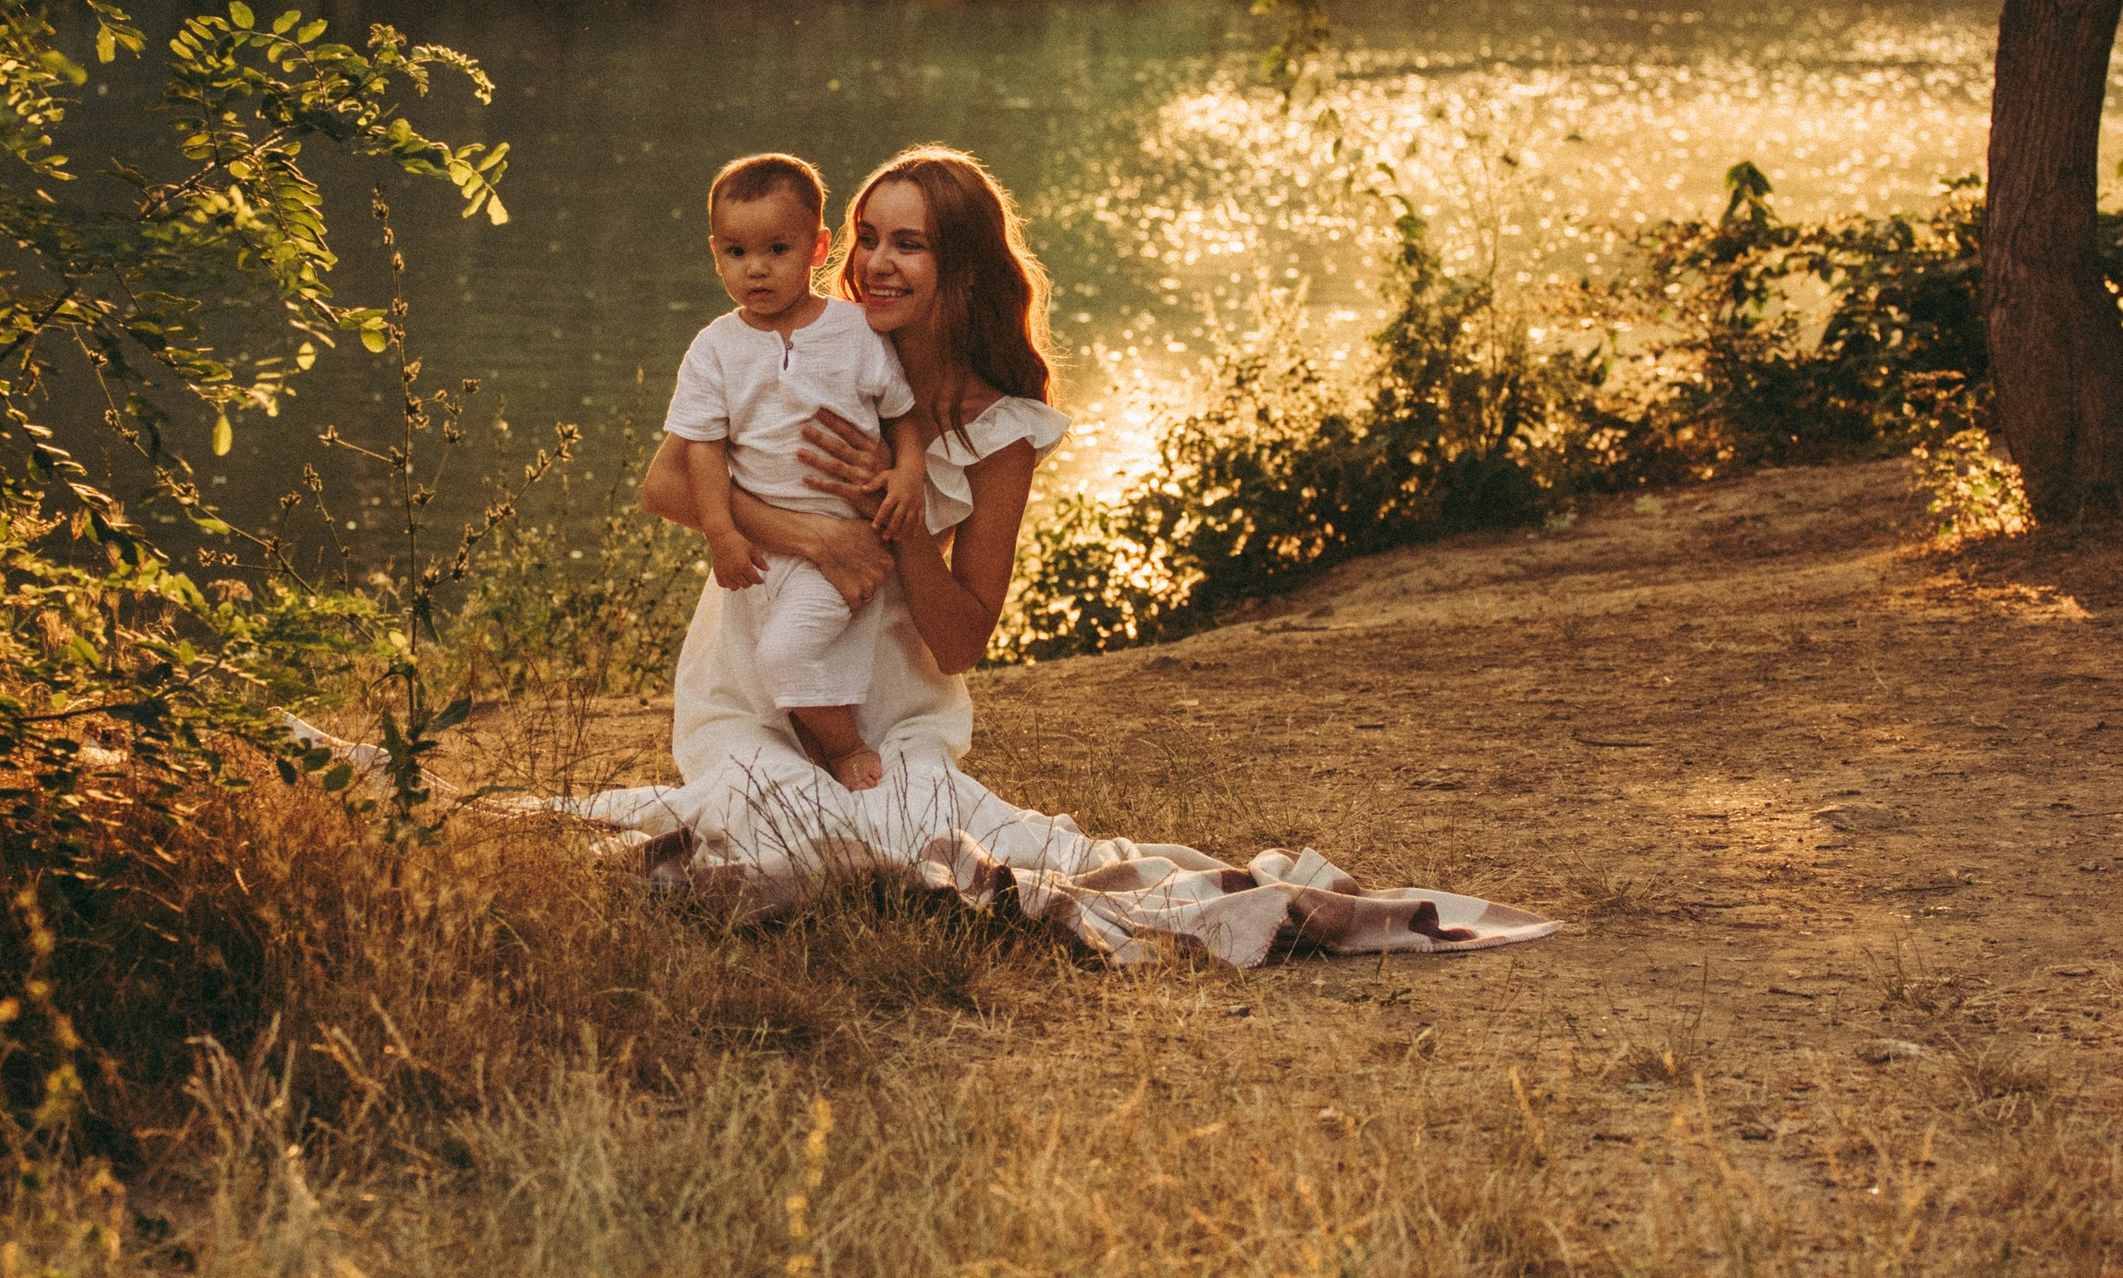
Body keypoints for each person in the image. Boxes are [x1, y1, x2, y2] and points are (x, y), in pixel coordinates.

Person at [571, 144, 1555, 971]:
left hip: (888, 713)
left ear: (961, 270)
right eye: (866, 237)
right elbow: (666, 486)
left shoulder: (998, 431)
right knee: (774, 831)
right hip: (749, 695)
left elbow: (958, 639)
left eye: (906, 244)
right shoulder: (787, 350)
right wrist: (811, 533)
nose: (873, 263)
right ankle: (745, 790)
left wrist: (899, 518)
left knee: (905, 840)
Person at [663, 152, 930, 795]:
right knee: (768, 669)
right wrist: (722, 534)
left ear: (817, 248)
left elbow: (901, 416)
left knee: (786, 654)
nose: (755, 268)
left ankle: (844, 749)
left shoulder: (856, 331)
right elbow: (701, 448)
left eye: (777, 249)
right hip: (761, 552)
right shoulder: (715, 348)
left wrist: (909, 472)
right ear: (715, 253)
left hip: (845, 545)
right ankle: (807, 748)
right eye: (735, 252)